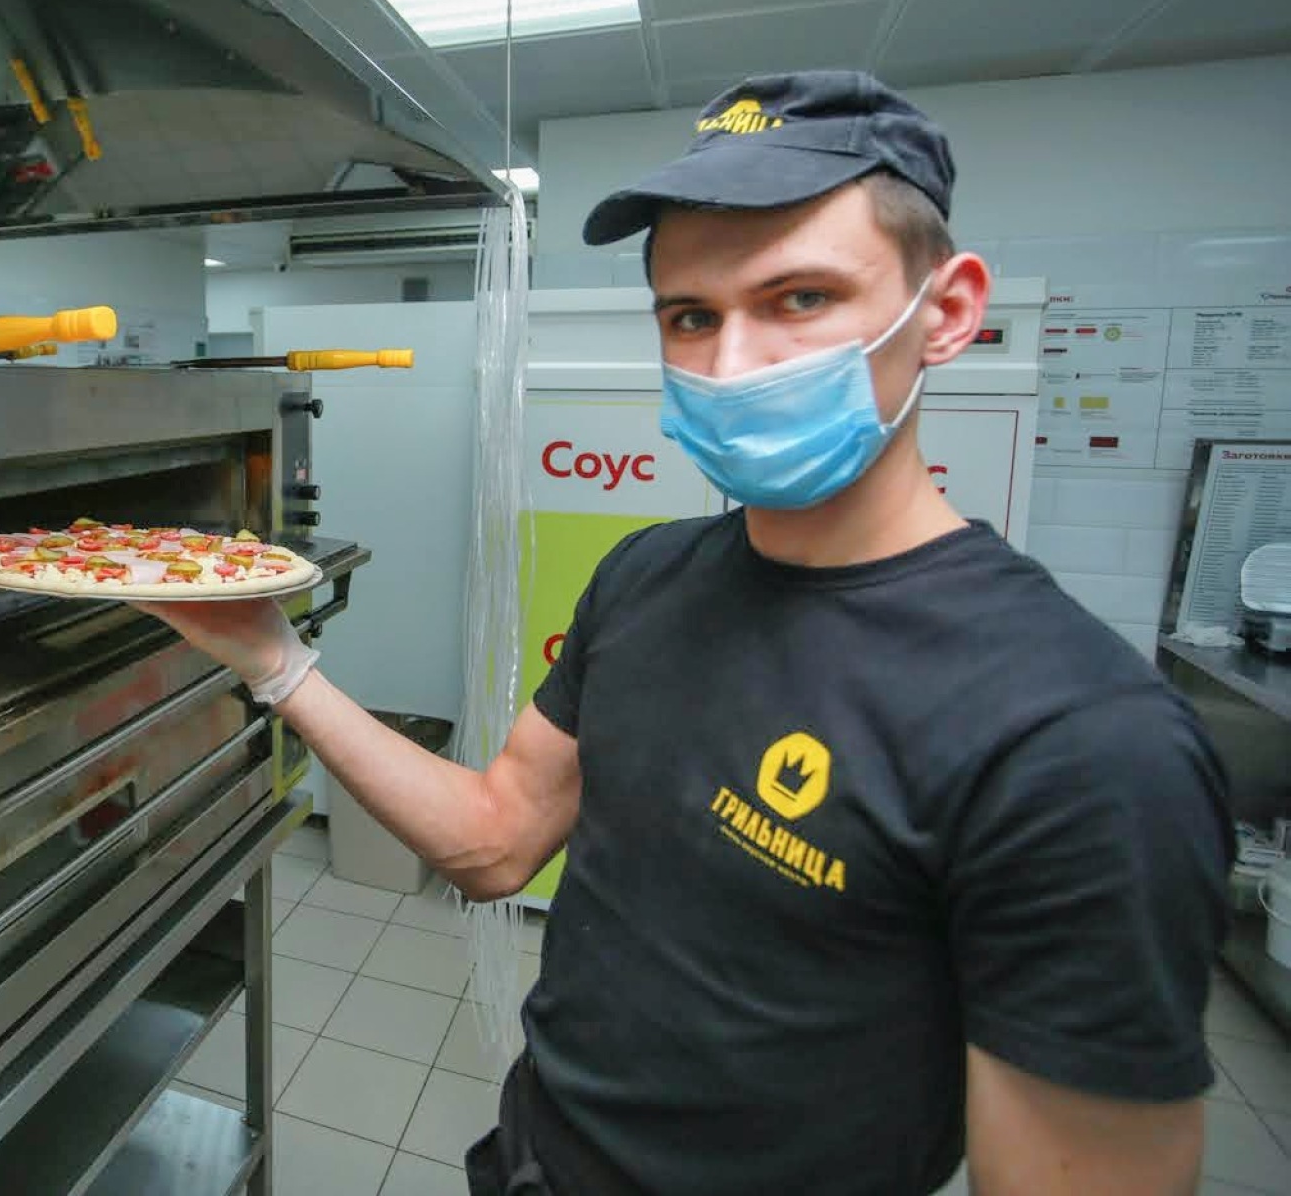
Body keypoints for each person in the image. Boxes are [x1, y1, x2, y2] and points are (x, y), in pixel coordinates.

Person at [144, 72, 1233, 1196]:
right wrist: (278, 661)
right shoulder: (649, 576)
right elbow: (496, 840)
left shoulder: (1081, 741)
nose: (732, 364)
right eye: (692, 316)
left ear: (947, 312)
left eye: (801, 297)